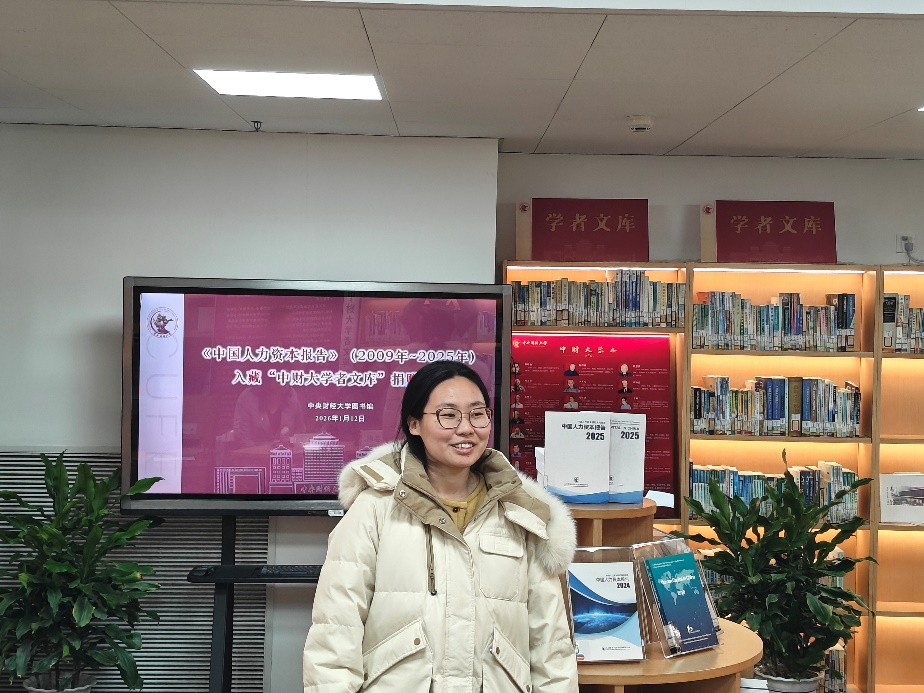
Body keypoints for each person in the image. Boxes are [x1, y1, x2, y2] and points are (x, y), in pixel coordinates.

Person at [303, 361, 578, 693]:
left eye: (477, 414)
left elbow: (552, 648)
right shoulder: (375, 507)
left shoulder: (519, 513)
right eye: (448, 415)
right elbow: (335, 633)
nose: (466, 429)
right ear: (414, 423)